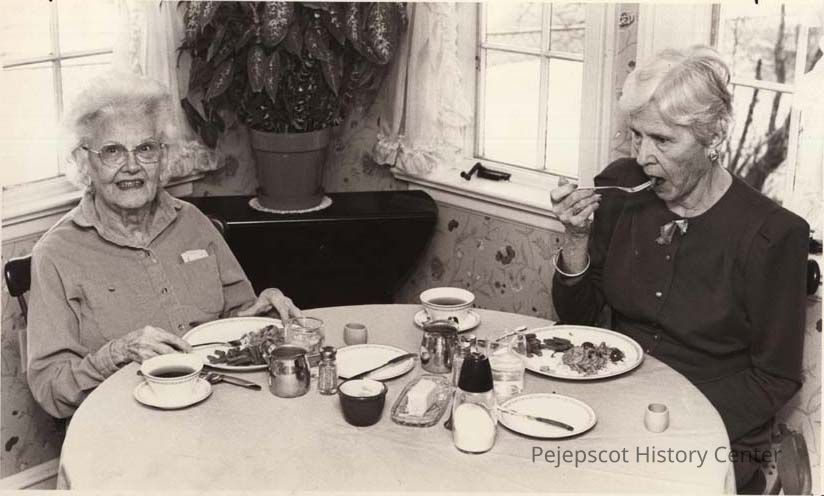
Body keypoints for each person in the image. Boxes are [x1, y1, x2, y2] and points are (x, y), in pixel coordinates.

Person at [550, 46, 809, 493]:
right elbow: (578, 318)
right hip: (616, 408)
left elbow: (776, 377)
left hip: (715, 431)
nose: (643, 156)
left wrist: (675, 417)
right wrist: (576, 238)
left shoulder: (774, 234)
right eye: (637, 135)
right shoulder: (620, 187)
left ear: (713, 137)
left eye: (663, 140)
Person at [27, 72, 301, 419]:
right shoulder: (56, 255)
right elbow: (51, 389)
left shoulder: (192, 222)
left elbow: (235, 321)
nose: (131, 166)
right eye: (112, 151)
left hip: (220, 406)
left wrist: (261, 312)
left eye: (145, 149)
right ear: (85, 161)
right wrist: (118, 353)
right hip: (125, 423)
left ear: (163, 156)